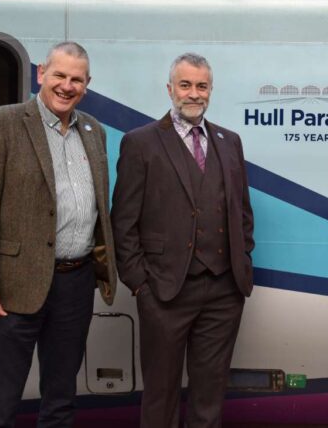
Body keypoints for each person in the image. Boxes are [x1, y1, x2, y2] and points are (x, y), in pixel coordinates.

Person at [0, 41, 117, 428]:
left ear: (87, 84)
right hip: (16, 285)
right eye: (60, 75)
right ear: (41, 74)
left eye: (76, 79)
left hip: (75, 284)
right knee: (1, 402)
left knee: (61, 400)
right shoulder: (1, 123)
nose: (67, 86)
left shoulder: (93, 131)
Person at [112, 52, 254, 428]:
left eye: (202, 86)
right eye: (186, 85)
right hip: (164, 291)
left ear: (211, 90)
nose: (194, 94)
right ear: (170, 88)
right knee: (160, 398)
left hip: (223, 292)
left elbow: (242, 213)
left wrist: (241, 264)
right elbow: (123, 221)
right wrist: (140, 283)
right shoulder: (140, 142)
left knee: (209, 398)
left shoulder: (230, 141)